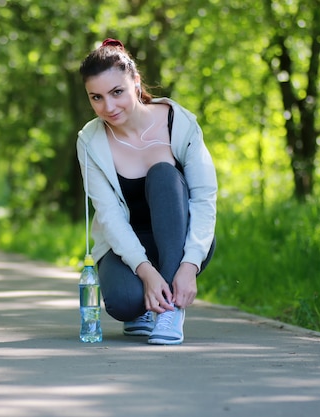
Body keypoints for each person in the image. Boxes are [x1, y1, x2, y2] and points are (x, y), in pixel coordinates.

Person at [76, 38, 217, 345]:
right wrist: (146, 274)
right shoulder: (90, 141)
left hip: (179, 238)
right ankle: (146, 301)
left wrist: (189, 264)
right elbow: (110, 217)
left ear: (135, 82)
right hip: (125, 244)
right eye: (96, 97)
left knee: (164, 174)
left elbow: (204, 199)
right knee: (124, 302)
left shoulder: (178, 123)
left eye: (117, 92)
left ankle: (170, 309)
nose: (108, 107)